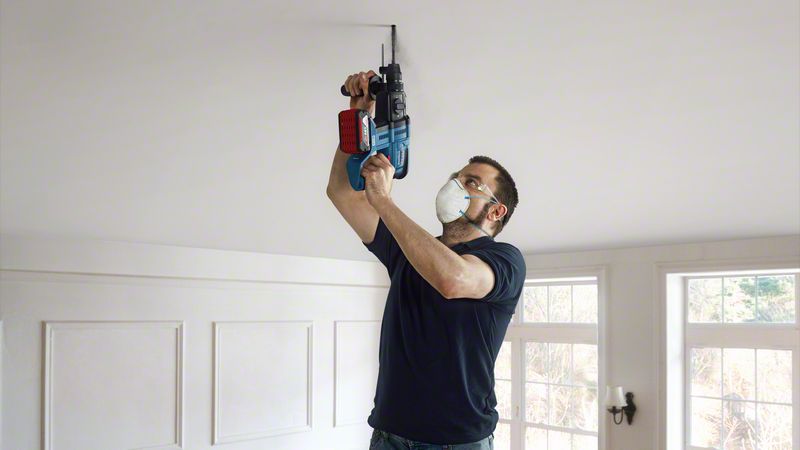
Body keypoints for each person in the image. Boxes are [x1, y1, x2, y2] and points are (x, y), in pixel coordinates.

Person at [327, 71, 526, 450]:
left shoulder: (504, 259)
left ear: (496, 211)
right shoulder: (409, 248)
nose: (456, 185)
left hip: (457, 441)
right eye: (457, 177)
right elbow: (341, 193)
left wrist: (383, 201)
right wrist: (357, 121)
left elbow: (453, 280)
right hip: (389, 434)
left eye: (471, 182)